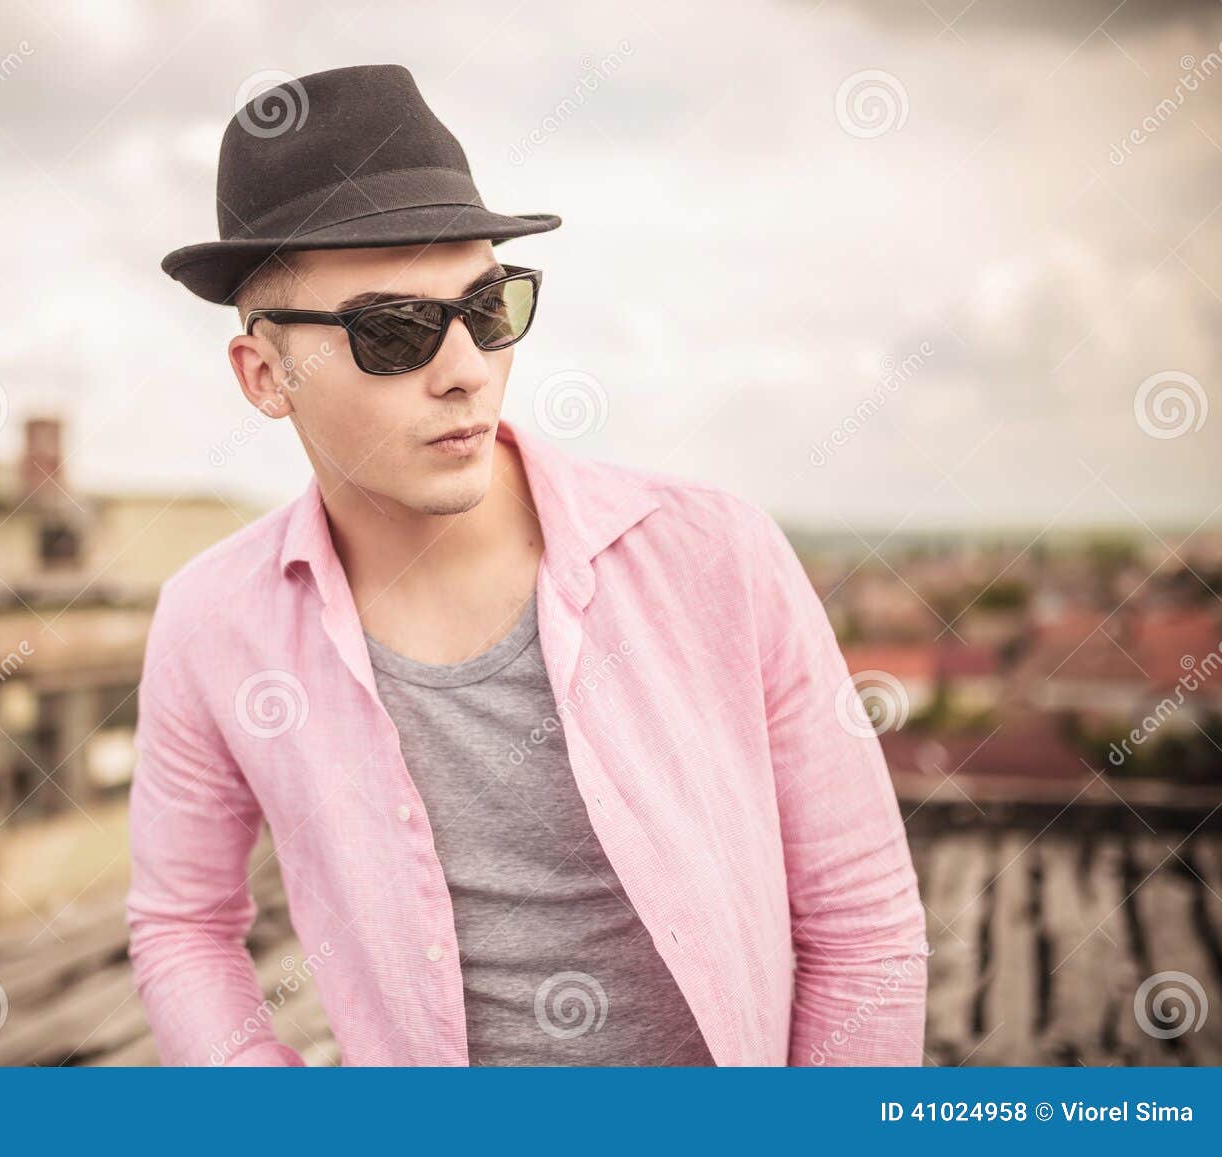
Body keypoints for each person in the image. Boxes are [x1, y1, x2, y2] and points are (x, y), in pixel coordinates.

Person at [127, 63, 927, 1066]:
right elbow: (182, 923)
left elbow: (862, 924)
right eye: (392, 330)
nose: (463, 366)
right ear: (264, 374)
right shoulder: (212, 622)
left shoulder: (714, 554)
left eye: (487, 306)